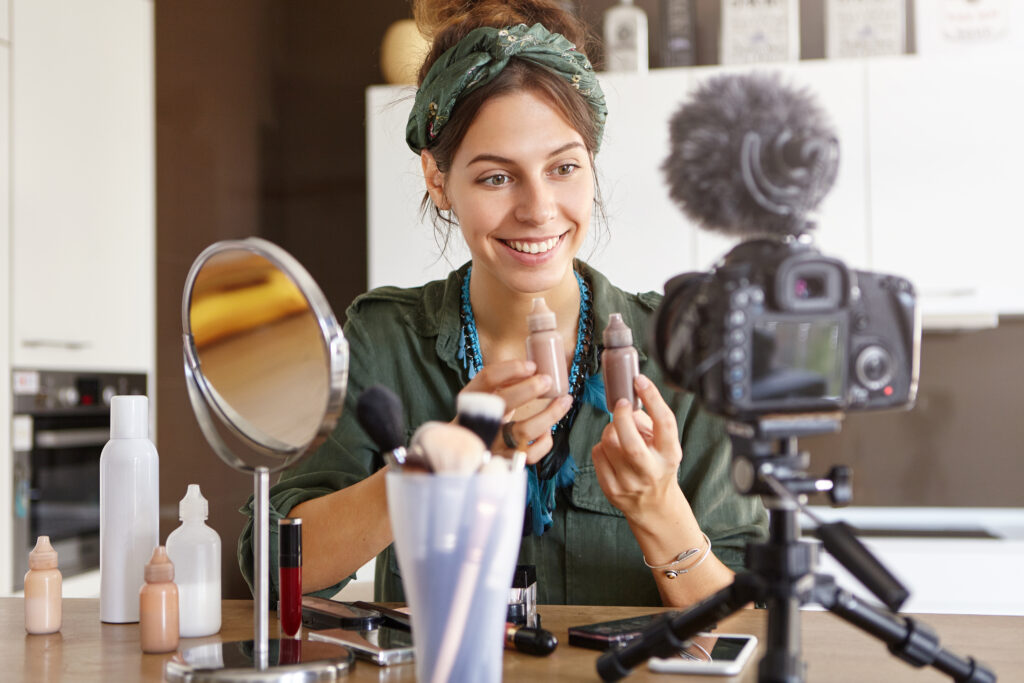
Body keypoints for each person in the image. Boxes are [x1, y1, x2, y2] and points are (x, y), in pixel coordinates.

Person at [239, 0, 767, 607]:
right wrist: (438, 467)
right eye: (496, 177)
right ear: (438, 180)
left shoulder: (681, 348)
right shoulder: (385, 340)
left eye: (564, 167)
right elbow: (277, 575)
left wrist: (657, 507)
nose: (539, 209)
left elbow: (746, 622)